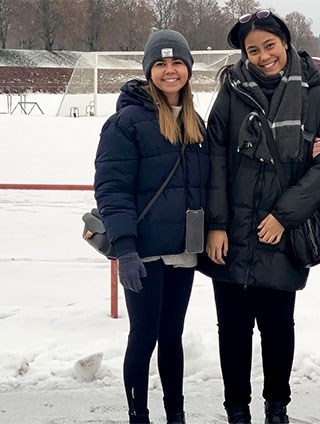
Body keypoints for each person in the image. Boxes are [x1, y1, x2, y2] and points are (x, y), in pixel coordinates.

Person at [203, 10, 320, 424]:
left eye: (270, 45)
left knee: (278, 330)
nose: (264, 56)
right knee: (231, 331)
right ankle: (237, 410)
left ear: (285, 41)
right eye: (254, 50)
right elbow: (215, 160)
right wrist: (216, 225)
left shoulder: (315, 94)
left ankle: (276, 407)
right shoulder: (231, 92)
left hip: (282, 237)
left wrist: (285, 216)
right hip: (231, 235)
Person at [94, 30, 208, 424]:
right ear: (148, 71)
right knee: (143, 338)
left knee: (172, 338)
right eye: (160, 64)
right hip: (143, 251)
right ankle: (138, 416)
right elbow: (112, 189)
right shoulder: (126, 123)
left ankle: (175, 415)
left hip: (182, 249)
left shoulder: (195, 123)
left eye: (177, 63)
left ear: (188, 69)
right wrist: (124, 249)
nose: (170, 70)